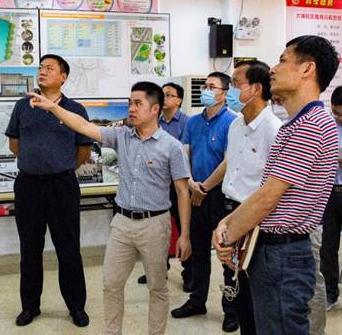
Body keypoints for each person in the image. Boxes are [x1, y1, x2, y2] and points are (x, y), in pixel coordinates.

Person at [28, 81, 192, 335]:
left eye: (138, 103)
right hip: (122, 223)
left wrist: (184, 235)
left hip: (155, 224)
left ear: (155, 108)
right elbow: (82, 125)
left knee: (157, 287)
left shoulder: (171, 146)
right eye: (129, 102)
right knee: (111, 284)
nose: (131, 108)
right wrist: (52, 107)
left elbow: (182, 191)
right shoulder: (122, 136)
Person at [213, 35, 340, 335]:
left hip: (284, 257)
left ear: (307, 69)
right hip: (269, 251)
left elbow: (269, 196)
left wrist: (227, 235)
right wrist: (227, 223)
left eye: (283, 60)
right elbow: (263, 192)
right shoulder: (293, 125)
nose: (273, 68)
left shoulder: (312, 126)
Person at [5, 54, 93, 327]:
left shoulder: (75, 109)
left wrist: (59, 167)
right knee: (30, 249)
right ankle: (30, 307)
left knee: (69, 249)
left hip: (62, 186)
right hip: (28, 185)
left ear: (63, 76)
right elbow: (14, 145)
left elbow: (84, 151)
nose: (42, 71)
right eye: (41, 67)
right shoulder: (22, 106)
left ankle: (76, 307)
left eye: (49, 68)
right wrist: (37, 164)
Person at [201, 60, 282, 335]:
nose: (230, 91)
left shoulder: (274, 129)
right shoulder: (237, 125)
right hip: (229, 210)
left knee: (256, 288)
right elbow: (230, 164)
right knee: (235, 282)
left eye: (235, 84)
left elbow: (273, 188)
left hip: (255, 219)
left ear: (256, 88)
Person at [171, 72, 239, 333]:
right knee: (198, 252)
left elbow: (228, 160)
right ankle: (197, 300)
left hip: (222, 197)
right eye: (204, 86)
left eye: (212, 87)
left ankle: (231, 309)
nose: (206, 90)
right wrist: (190, 184)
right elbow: (184, 153)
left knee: (227, 255)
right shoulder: (194, 122)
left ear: (224, 92)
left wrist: (206, 187)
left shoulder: (233, 122)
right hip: (194, 190)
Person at [137, 82, 192, 291]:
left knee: (183, 228)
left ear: (178, 100)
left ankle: (189, 273)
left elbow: (186, 155)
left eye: (169, 95)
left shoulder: (187, 123)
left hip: (178, 184)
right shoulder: (155, 122)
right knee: (158, 230)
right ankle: (158, 269)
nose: (165, 98)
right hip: (157, 184)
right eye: (163, 94)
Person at [320, 85, 342, 311]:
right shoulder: (326, 126)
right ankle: (330, 292)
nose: (339, 118)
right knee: (328, 247)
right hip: (328, 193)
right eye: (336, 113)